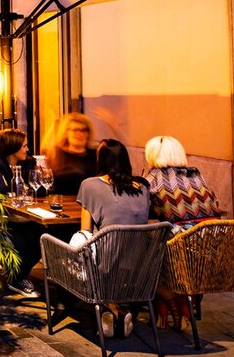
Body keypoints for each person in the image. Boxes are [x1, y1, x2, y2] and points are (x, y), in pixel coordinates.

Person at [74, 139, 151, 339]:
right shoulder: (143, 187)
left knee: (82, 248)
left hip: (106, 266)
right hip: (140, 266)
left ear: (101, 160)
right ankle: (121, 311)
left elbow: (85, 231)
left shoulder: (90, 185)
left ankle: (110, 311)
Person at [144, 135, 220, 331]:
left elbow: (142, 213)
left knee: (149, 253)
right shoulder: (196, 175)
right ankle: (185, 310)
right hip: (210, 248)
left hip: (181, 250)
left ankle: (164, 310)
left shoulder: (152, 179)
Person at [0, 129, 42, 297]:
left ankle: (18, 277)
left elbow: (39, 188)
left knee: (44, 236)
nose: (27, 150)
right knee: (16, 239)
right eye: (24, 146)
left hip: (27, 216)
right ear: (13, 147)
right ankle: (17, 279)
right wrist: (23, 189)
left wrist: (23, 190)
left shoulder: (28, 163)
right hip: (4, 217)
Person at [144, 135, 220, 232]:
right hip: (213, 238)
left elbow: (141, 211)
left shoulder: (154, 178)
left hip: (182, 241)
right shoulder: (195, 174)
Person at [43, 112, 97, 195]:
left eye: (84, 130)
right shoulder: (57, 153)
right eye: (75, 130)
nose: (80, 134)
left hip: (88, 204)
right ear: (66, 133)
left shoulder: (95, 154)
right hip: (60, 202)